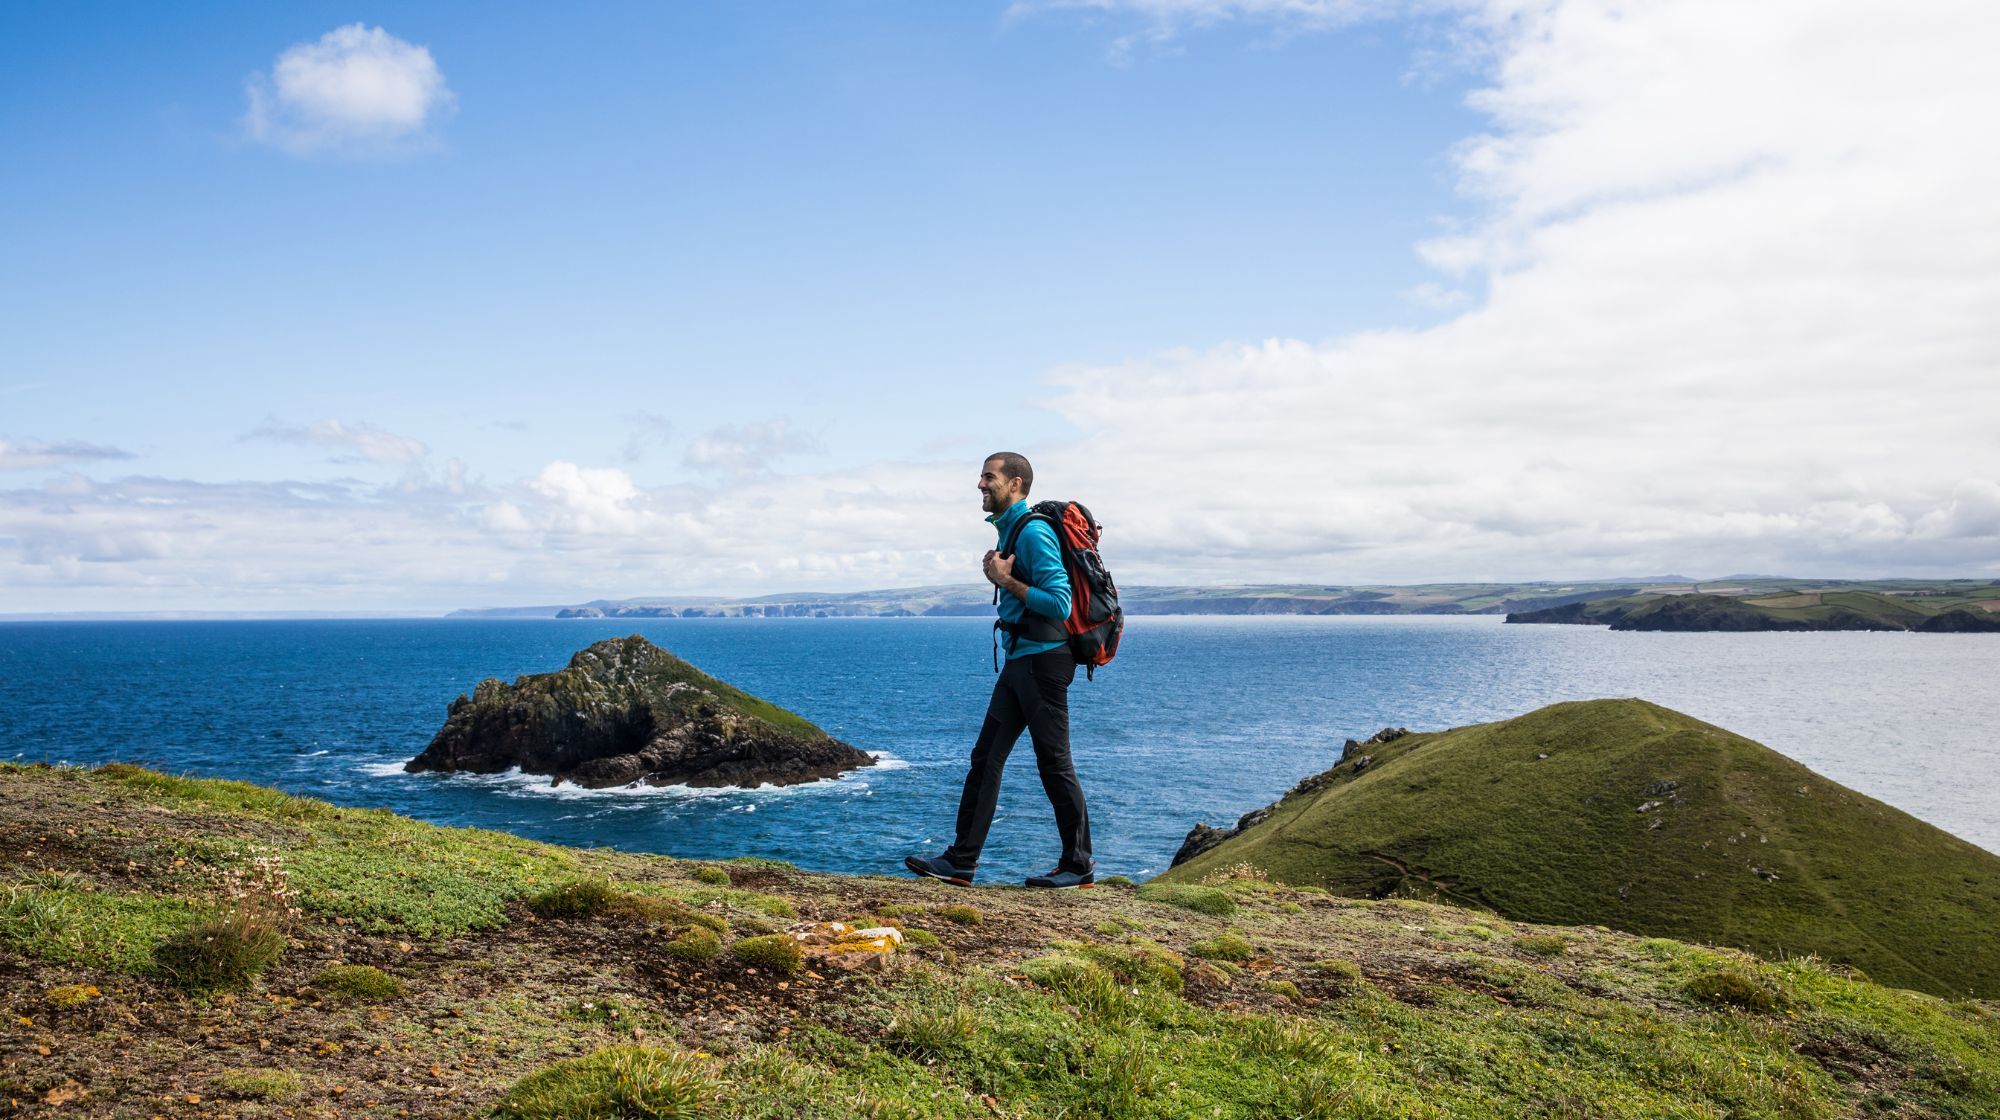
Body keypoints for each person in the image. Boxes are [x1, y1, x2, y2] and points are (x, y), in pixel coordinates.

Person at [905, 452, 1095, 888]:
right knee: (985, 758)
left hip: (1043, 662)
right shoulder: (1012, 531)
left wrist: (1006, 581)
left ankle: (1079, 863)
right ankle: (961, 862)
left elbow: (1060, 603)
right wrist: (1000, 576)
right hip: (1020, 661)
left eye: (989, 477)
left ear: (1016, 484)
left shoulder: (1033, 533)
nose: (980, 484)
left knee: (1054, 763)